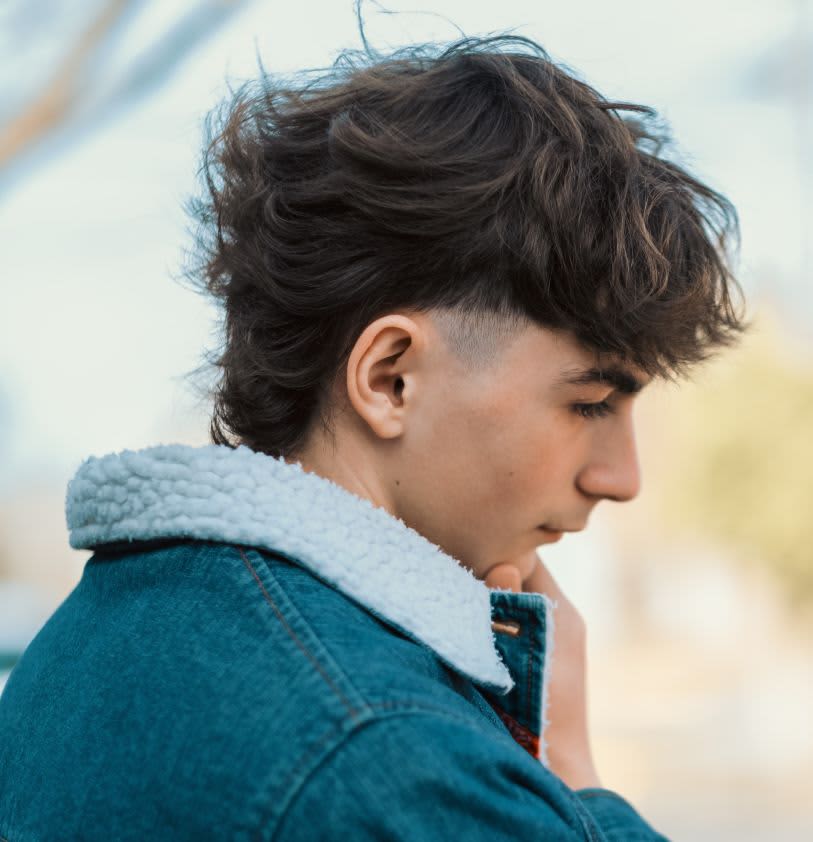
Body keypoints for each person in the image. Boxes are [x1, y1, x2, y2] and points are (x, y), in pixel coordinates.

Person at [0, 32, 745, 840]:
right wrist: (576, 781)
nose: (621, 477)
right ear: (390, 378)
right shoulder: (386, 757)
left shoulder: (89, 640)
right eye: (590, 403)